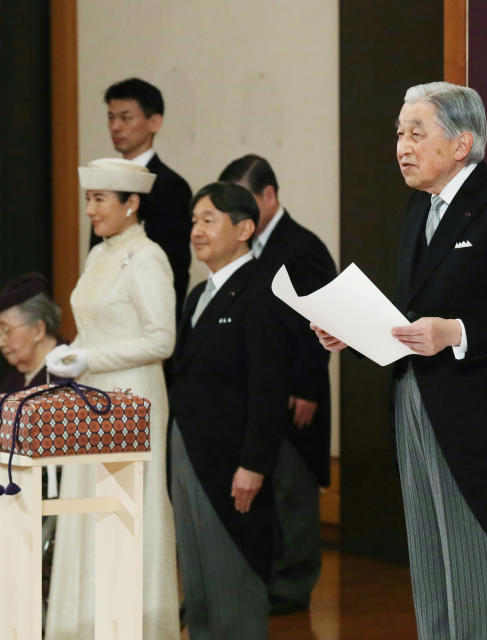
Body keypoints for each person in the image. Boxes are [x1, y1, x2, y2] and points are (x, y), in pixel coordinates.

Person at [314, 81, 487, 639]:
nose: (402, 146)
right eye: (399, 133)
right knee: (426, 550)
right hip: (412, 394)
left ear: (462, 142)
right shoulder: (419, 208)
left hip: (473, 409)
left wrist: (455, 333)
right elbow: (412, 309)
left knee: (472, 553)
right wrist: (354, 328)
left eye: (417, 133)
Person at [44, 158, 179, 639]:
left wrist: (89, 359)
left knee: (123, 508)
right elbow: (96, 329)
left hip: (132, 399)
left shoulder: (148, 258)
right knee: (88, 505)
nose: (90, 210)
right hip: (92, 397)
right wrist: (71, 353)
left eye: (100, 199)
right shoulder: (98, 256)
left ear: (131, 204)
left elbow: (162, 340)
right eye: (88, 198)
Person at [168, 182, 287, 639]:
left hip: (232, 463)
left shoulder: (261, 291)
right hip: (189, 453)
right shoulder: (198, 295)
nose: (196, 231)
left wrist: (254, 464)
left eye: (208, 220)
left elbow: (269, 388)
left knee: (232, 580)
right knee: (197, 582)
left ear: (244, 228)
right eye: (194, 221)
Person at [219, 154, 337, 613]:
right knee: (268, 487)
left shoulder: (300, 246)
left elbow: (322, 319)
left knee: (293, 487)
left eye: (244, 199)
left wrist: (308, 386)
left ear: (269, 195)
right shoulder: (250, 246)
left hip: (295, 391)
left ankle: (294, 583)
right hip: (261, 392)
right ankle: (268, 576)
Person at [91, 78, 193, 318]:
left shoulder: (171, 186)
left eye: (126, 118)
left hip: (145, 317)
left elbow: (174, 268)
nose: (115, 127)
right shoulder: (104, 181)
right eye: (110, 117)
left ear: (154, 122)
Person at [0, 273, 65, 393]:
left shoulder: (67, 372)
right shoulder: (13, 376)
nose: (1, 342)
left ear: (38, 330)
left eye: (6, 330)